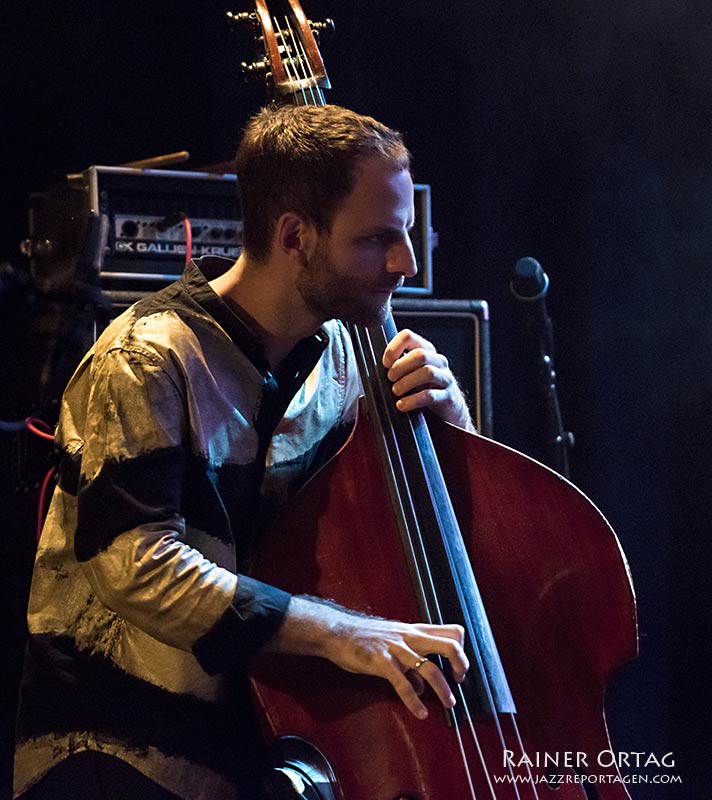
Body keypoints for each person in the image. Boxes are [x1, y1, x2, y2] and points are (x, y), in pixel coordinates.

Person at [14, 104, 474, 800]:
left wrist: (448, 416)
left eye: (404, 236)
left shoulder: (346, 352)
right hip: (119, 750)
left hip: (266, 743)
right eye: (378, 239)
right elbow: (137, 565)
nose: (406, 264)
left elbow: (417, 529)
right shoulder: (148, 357)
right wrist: (343, 635)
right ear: (296, 236)